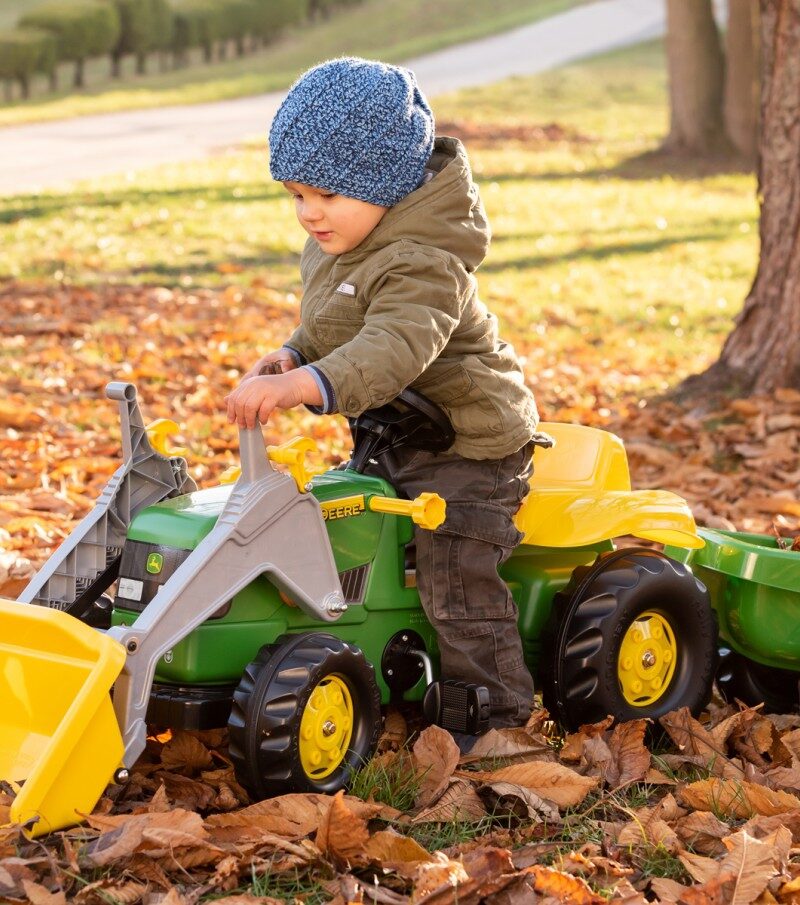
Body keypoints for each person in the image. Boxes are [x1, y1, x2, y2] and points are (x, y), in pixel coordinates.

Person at [225, 56, 551, 747]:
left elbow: (393, 346)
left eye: (326, 193)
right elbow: (335, 323)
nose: (309, 212)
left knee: (454, 574)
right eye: (295, 194)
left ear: (384, 183)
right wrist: (294, 354)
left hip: (469, 447)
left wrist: (303, 386)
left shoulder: (425, 260)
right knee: (344, 533)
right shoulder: (345, 238)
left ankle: (492, 718)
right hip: (395, 434)